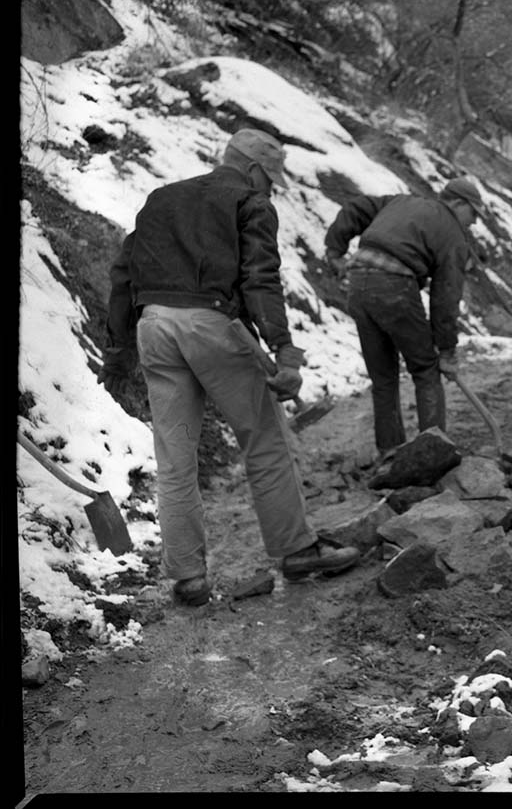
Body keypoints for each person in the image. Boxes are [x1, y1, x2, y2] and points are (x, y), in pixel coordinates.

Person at [100, 129, 361, 607]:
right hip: (215, 325)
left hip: (154, 326)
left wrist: (117, 356)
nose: (271, 189)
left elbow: (123, 273)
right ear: (255, 170)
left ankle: (188, 577)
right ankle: (297, 550)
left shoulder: (162, 198)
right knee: (263, 438)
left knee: (175, 459)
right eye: (271, 179)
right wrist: (284, 349)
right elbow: (260, 279)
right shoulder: (251, 203)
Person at [323, 177, 482, 457]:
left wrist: (335, 252)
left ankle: (390, 451)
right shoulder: (453, 234)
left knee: (383, 376)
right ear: (458, 203)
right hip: (394, 287)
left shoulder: (400, 202)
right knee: (426, 370)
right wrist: (446, 351)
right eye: (474, 214)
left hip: (358, 284)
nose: (474, 223)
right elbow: (445, 298)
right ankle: (434, 453)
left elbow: (355, 208)